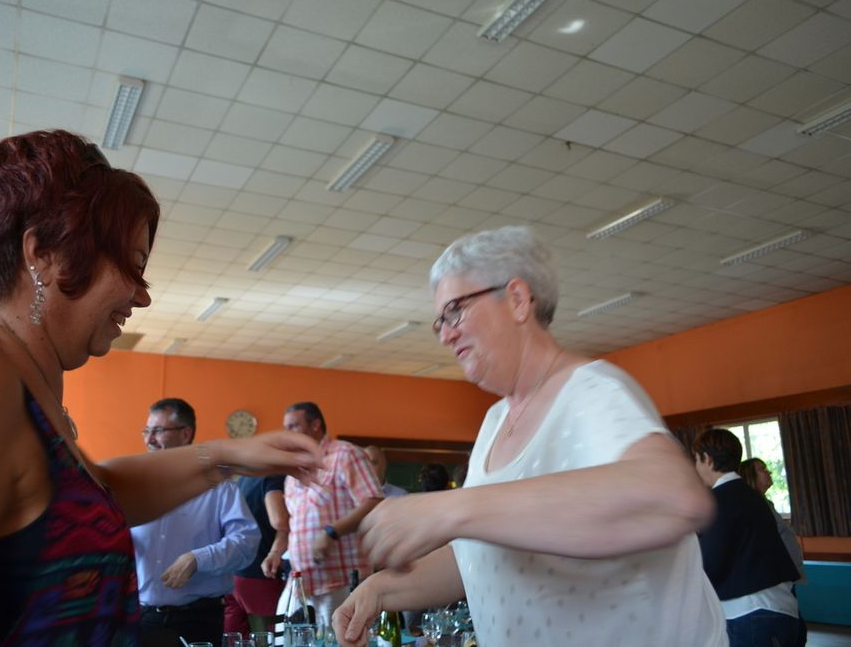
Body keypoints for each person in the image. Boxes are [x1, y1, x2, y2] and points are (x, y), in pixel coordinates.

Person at [0, 130, 321, 646]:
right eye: (130, 264)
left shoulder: (11, 375)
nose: (141, 296)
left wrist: (230, 457)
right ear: (42, 254)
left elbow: (100, 493)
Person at [334, 225, 725, 647]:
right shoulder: (494, 422)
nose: (445, 334)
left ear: (517, 300)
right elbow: (476, 559)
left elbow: (673, 498)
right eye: (440, 322)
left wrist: (451, 508)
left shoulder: (592, 390)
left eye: (455, 311)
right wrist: (377, 592)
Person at [132, 398, 260, 646]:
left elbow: (246, 542)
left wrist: (197, 558)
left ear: (185, 433)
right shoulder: (136, 486)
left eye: (158, 431)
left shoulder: (219, 487)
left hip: (197, 620)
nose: (149, 440)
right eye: (146, 431)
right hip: (141, 618)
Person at [695, 431, 802, 647]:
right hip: (784, 608)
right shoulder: (754, 496)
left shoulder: (716, 501)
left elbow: (711, 562)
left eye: (696, 459)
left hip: (750, 613)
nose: (696, 467)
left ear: (707, 458)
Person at [283, 402, 384, 629]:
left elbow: (373, 501)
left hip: (340, 580)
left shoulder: (345, 454)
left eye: (294, 426)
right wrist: (275, 552)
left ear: (315, 425)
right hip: (302, 581)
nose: (288, 434)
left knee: (342, 640)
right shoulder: (294, 469)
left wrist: (331, 532)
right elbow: (295, 521)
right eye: (285, 428)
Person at [224, 471, 290, 636]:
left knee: (235, 639)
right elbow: (280, 520)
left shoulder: (243, 479)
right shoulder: (273, 476)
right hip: (260, 573)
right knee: (274, 637)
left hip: (232, 574)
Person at [739, 457, 806, 582]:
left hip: (788, 573)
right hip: (777, 577)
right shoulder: (752, 507)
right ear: (749, 476)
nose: (768, 472)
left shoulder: (767, 504)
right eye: (762, 470)